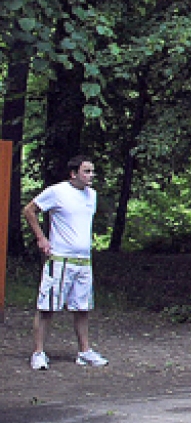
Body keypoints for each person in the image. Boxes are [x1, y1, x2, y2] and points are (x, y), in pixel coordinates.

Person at [26, 155, 108, 370]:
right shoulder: (57, 191)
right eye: (86, 171)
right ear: (74, 173)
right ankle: (38, 352)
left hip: (83, 261)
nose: (91, 176)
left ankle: (84, 351)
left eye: (92, 171)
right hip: (60, 259)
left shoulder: (92, 195)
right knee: (47, 307)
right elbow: (29, 210)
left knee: (82, 308)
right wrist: (41, 238)